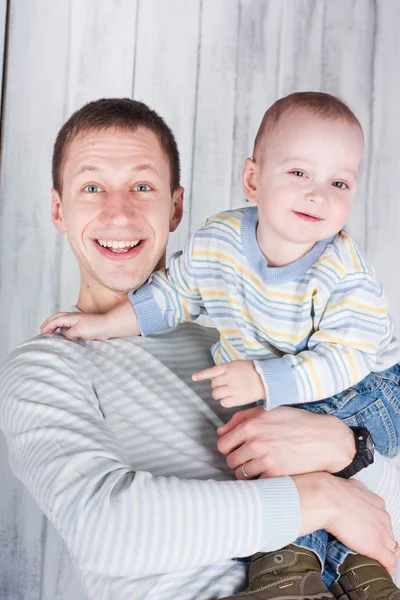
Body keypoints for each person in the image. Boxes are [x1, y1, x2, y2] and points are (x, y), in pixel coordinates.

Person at [1, 98, 399, 600]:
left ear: (176, 207)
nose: (118, 212)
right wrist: (321, 497)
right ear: (59, 209)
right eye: (92, 187)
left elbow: (390, 523)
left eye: (142, 186)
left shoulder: (244, 347)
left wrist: (349, 448)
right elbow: (105, 532)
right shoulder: (45, 365)